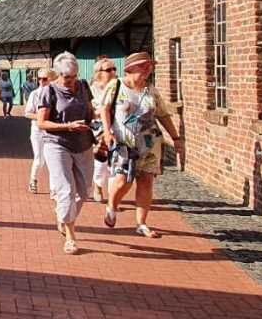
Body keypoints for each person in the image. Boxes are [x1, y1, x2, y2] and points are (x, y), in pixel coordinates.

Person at [100, 52, 183, 239]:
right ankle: (112, 205)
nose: (147, 70)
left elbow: (162, 115)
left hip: (150, 144)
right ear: (129, 69)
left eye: (149, 66)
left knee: (146, 181)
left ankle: (141, 224)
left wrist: (176, 139)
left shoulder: (151, 90)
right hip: (124, 143)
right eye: (143, 66)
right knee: (123, 181)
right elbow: (104, 108)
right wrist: (107, 131)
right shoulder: (117, 85)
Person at [33, 53, 96, 254]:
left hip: (83, 143)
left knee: (85, 191)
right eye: (67, 78)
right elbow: (42, 123)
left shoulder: (84, 86)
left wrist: (96, 128)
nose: (71, 81)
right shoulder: (48, 91)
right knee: (66, 190)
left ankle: (63, 215)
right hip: (57, 144)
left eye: (74, 76)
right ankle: (70, 235)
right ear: (57, 75)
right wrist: (68, 126)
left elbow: (90, 111)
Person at [88, 56, 118, 203]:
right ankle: (98, 185)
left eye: (114, 69)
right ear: (99, 72)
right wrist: (102, 110)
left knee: (117, 164)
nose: (113, 72)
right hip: (98, 129)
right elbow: (91, 110)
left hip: (118, 128)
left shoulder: (120, 87)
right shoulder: (92, 90)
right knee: (101, 161)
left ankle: (113, 198)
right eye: (108, 70)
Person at [23, 67, 55, 194]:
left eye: (45, 79)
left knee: (53, 160)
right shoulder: (35, 94)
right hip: (37, 130)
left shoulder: (56, 93)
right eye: (39, 79)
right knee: (40, 159)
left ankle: (54, 189)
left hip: (52, 130)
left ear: (52, 79)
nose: (41, 81)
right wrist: (41, 117)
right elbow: (27, 113)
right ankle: (33, 180)